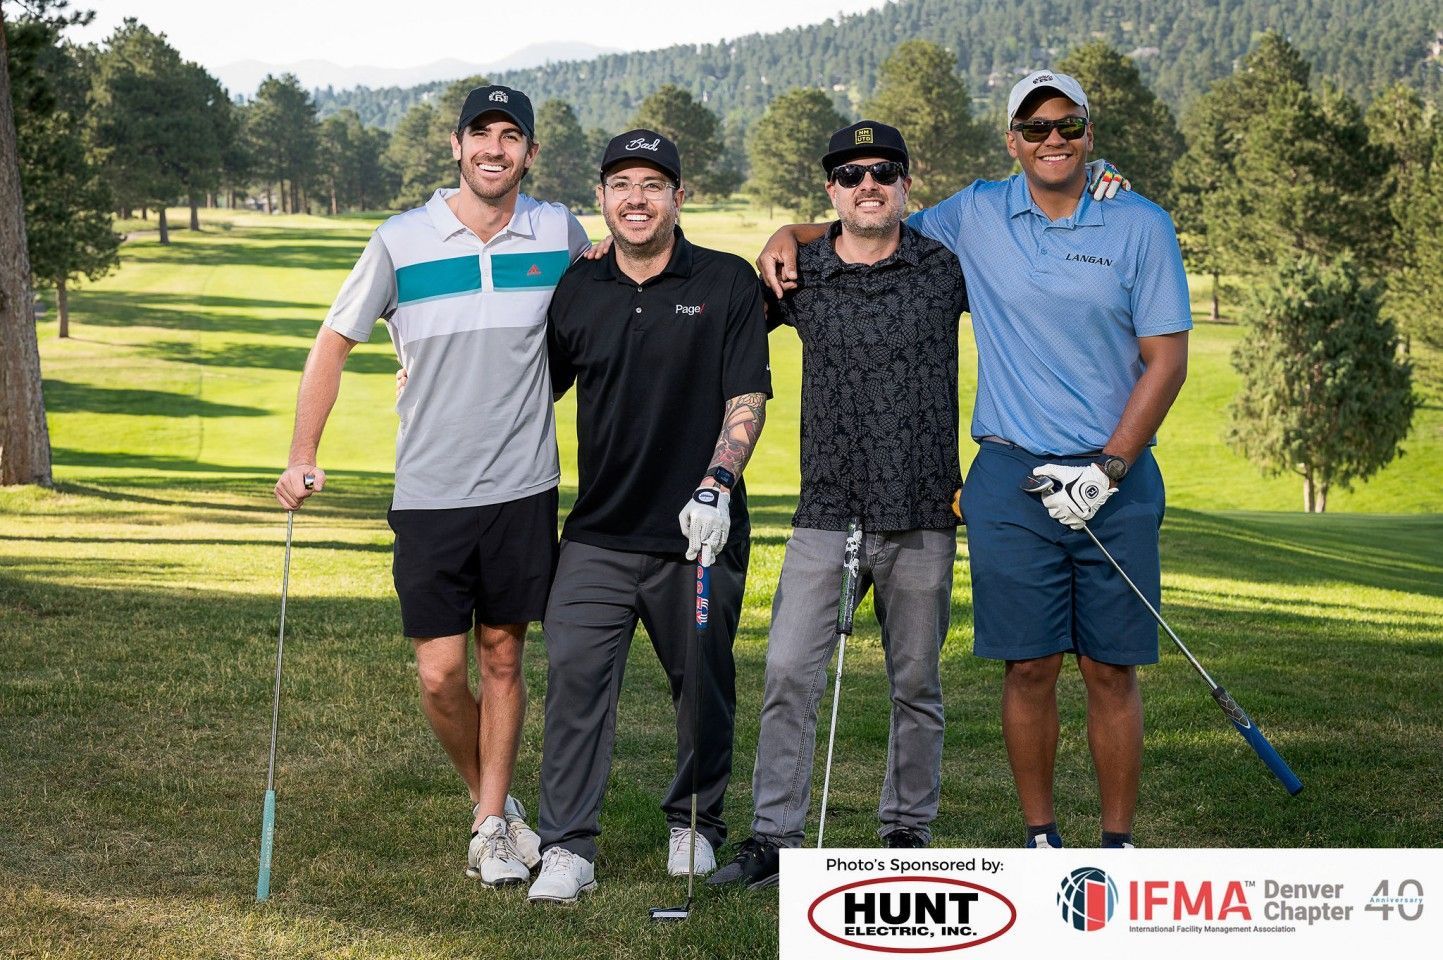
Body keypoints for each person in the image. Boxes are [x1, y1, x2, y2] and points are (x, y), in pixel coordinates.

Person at [757, 71, 1189, 850]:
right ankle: (1039, 840)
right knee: (1026, 668)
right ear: (1010, 140)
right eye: (1034, 128)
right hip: (1010, 478)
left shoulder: (1139, 223)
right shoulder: (978, 214)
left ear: (1089, 132)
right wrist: (787, 232)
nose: (1051, 138)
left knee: (1107, 670)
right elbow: (869, 225)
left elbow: (1166, 360)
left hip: (1110, 476)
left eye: (1067, 125)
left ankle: (1116, 846)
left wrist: (1110, 469)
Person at [273, 84, 592, 887]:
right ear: (455, 146)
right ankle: (495, 807)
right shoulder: (400, 240)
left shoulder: (558, 229)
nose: (494, 148)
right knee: (440, 673)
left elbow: (601, 312)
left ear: (529, 152)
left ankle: (488, 823)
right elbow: (334, 340)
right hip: (429, 488)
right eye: (479, 134)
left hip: (522, 484)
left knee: (501, 656)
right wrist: (300, 450)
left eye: (510, 135)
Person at [709, 121, 967, 890]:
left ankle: (906, 832)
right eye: (850, 174)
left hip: (922, 508)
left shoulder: (943, 267)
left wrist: (1105, 175)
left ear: (905, 185)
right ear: (830, 190)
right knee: (789, 670)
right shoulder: (799, 273)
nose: (867, 185)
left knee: (915, 682)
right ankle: (773, 839)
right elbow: (715, 321)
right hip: (827, 510)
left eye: (883, 172)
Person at [525, 130, 772, 904]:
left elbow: (746, 399)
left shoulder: (727, 281)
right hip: (598, 530)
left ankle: (695, 820)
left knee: (702, 681)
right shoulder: (580, 286)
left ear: (679, 196)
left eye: (653, 184)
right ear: (600, 199)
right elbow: (534, 386)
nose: (637, 197)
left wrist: (715, 485)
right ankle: (567, 845)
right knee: (573, 680)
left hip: (698, 534)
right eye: (621, 184)